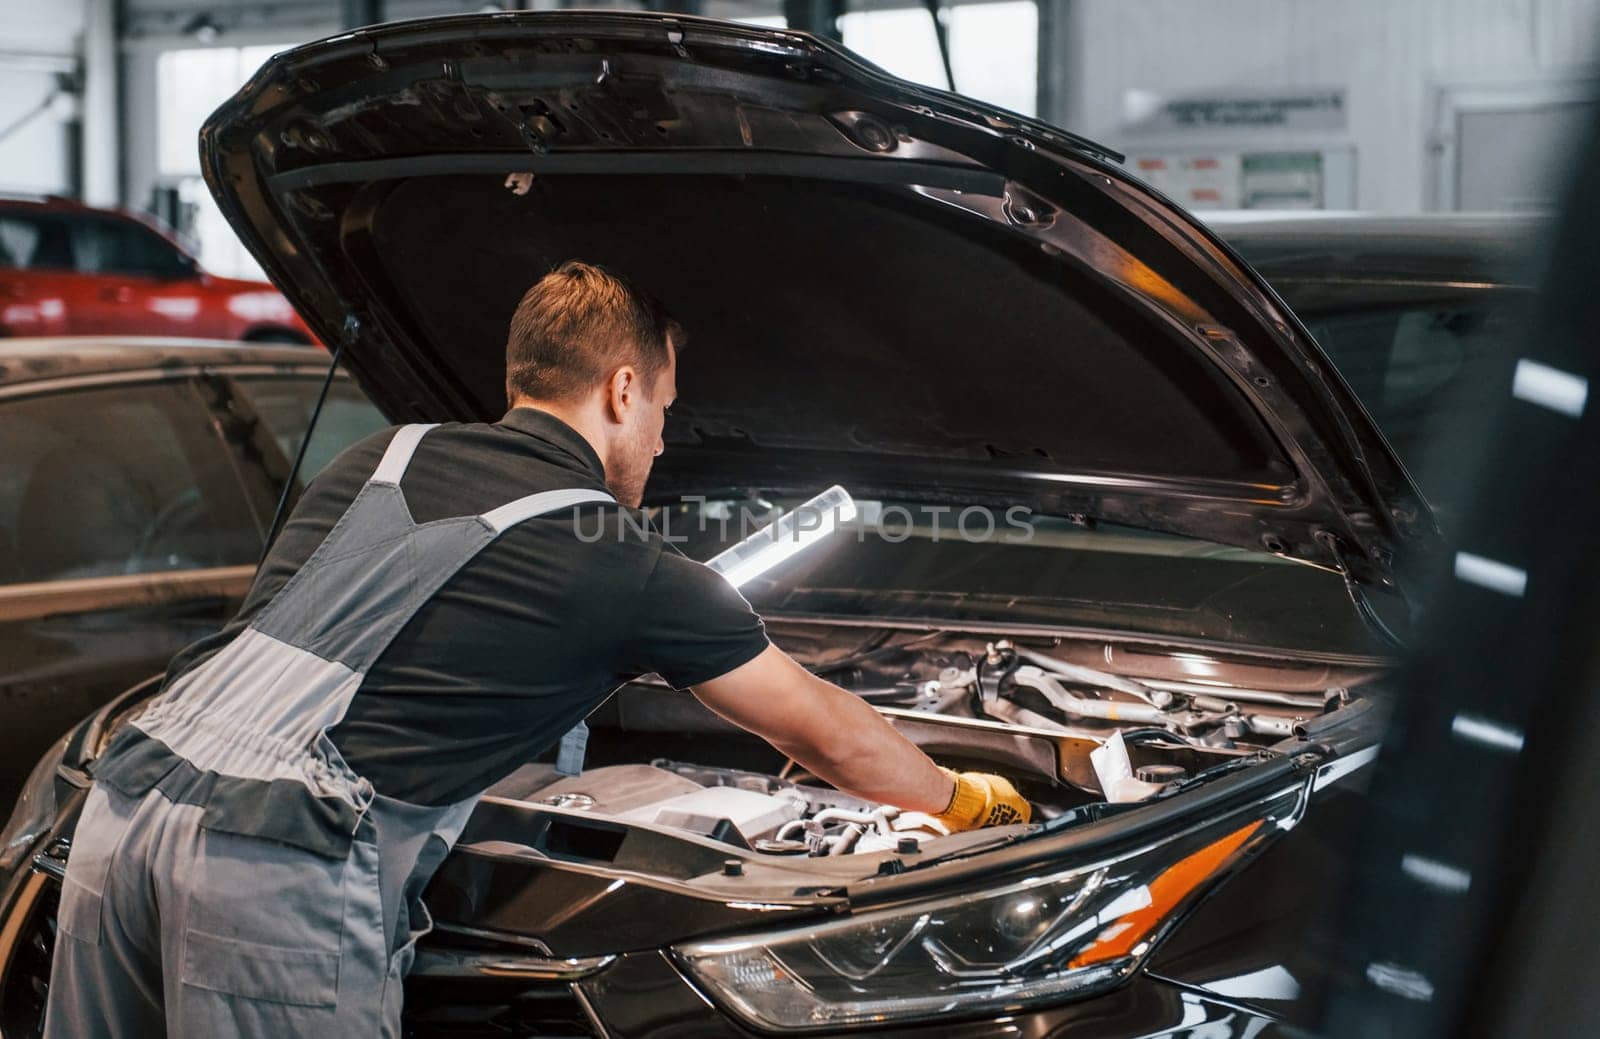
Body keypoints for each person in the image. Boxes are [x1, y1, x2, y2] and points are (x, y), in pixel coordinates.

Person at [42, 261, 1028, 1037]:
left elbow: (358, 647)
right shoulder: (615, 560)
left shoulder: (376, 456)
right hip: (271, 869)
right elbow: (835, 737)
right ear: (624, 388)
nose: (661, 442)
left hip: (121, 811)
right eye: (664, 414)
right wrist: (962, 801)